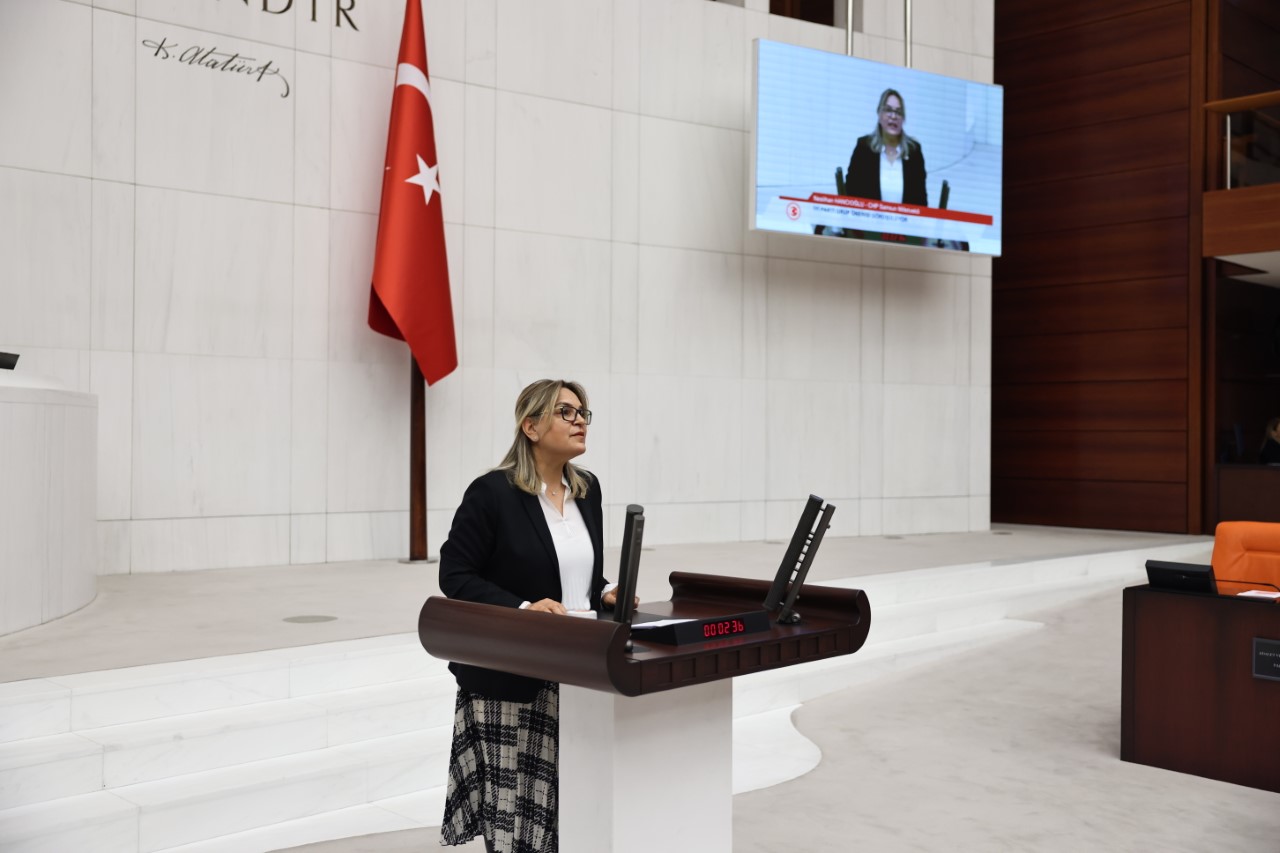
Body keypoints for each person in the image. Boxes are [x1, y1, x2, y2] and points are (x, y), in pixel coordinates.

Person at [438, 378, 621, 853]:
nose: (580, 421)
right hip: (512, 673)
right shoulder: (492, 493)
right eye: (566, 412)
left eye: (583, 413)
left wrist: (605, 593)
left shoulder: (587, 490)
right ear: (531, 426)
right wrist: (523, 609)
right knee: (516, 818)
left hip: (579, 669)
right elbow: (455, 575)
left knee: (568, 809)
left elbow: (576, 574)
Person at [844, 87, 928, 206]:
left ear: (903, 118)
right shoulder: (864, 148)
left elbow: (921, 202)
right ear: (879, 114)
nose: (893, 116)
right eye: (888, 110)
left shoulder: (914, 151)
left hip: (904, 218)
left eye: (898, 112)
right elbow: (850, 194)